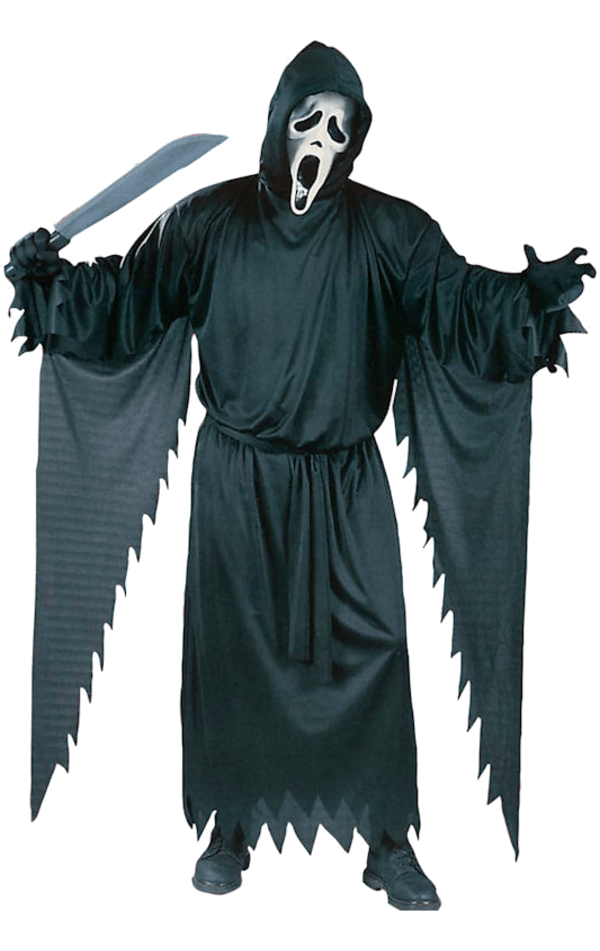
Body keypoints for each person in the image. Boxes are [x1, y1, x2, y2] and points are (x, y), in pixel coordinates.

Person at [6, 41, 594, 911]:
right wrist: (51, 282)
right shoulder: (207, 220)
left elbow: (460, 304)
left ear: (357, 141)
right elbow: (130, 298)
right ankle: (231, 826)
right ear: (279, 121)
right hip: (237, 481)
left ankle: (388, 838)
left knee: (373, 650)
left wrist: (527, 299)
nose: (321, 140)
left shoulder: (393, 232)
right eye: (309, 121)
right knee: (235, 653)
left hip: (345, 481)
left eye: (340, 129)